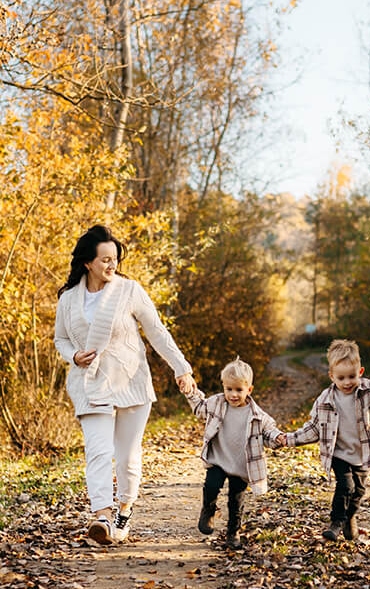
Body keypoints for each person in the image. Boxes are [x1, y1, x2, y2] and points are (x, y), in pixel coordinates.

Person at [54, 224, 197, 546]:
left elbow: (157, 332)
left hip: (130, 382)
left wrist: (181, 369)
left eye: (115, 258)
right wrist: (73, 356)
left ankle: (123, 508)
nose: (111, 265)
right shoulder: (68, 299)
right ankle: (101, 515)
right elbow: (60, 339)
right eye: (104, 259)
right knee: (98, 452)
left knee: (127, 456)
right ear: (88, 262)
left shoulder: (129, 291)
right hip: (89, 385)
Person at [278, 339, 370, 541]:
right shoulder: (325, 399)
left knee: (358, 491)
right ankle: (336, 523)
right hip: (338, 453)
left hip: (362, 454)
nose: (347, 382)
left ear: (360, 372)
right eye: (341, 378)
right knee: (346, 486)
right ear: (332, 376)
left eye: (351, 376)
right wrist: (289, 439)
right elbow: (313, 428)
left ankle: (349, 517)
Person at [183, 358, 284, 549]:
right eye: (229, 389)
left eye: (239, 390)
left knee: (236, 501)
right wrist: (190, 391)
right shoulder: (217, 403)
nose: (233, 394)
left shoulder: (257, 415)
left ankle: (233, 532)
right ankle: (208, 510)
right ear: (224, 387)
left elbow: (269, 432)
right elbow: (199, 408)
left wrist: (278, 439)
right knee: (211, 486)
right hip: (219, 459)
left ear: (249, 390)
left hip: (241, 464)